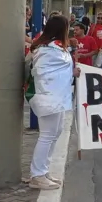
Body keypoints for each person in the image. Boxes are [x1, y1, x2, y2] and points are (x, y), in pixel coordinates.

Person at [26, 15, 77, 190]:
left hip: (58, 96)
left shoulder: (54, 47)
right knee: (47, 135)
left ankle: (43, 171)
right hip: (49, 96)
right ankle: (37, 175)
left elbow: (60, 70)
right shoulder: (47, 48)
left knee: (55, 134)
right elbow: (45, 72)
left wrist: (72, 72)